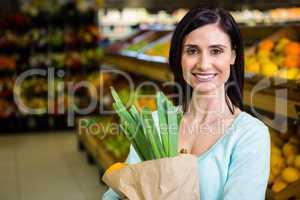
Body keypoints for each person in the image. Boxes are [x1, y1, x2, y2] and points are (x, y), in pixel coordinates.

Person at [103, 7, 270, 200]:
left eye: (216, 51)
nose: (204, 64)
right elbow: (115, 194)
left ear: (232, 55)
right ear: (179, 57)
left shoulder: (250, 134)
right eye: (192, 51)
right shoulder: (154, 125)